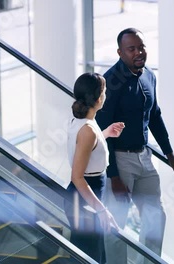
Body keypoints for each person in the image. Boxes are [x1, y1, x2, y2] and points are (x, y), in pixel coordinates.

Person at [95, 28, 174, 263]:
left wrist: (169, 154)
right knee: (115, 225)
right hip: (119, 160)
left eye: (141, 47)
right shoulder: (110, 83)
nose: (138, 52)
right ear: (120, 52)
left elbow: (155, 116)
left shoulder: (149, 76)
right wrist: (114, 175)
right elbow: (102, 132)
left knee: (155, 219)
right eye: (132, 49)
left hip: (145, 157)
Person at [64, 72, 125, 262]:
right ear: (99, 99)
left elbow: (85, 147)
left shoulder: (83, 121)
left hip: (83, 197)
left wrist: (105, 133)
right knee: (92, 257)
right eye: (105, 92)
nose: (106, 96)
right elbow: (77, 176)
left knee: (90, 255)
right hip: (85, 199)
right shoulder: (88, 130)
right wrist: (101, 209)